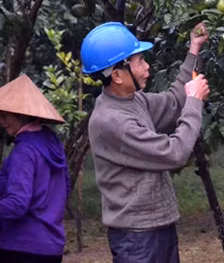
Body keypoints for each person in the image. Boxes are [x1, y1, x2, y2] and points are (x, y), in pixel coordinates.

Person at [80, 21, 210, 263]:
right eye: (139, 61)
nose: (147, 67)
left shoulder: (133, 101)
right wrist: (194, 103)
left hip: (157, 226)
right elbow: (174, 153)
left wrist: (194, 49)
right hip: (137, 238)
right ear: (117, 75)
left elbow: (173, 102)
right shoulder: (111, 121)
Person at [0, 74, 69, 263]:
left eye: (5, 115)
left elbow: (16, 204)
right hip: (51, 246)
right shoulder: (53, 145)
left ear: (21, 114)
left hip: (22, 246)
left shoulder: (24, 151)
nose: (2, 121)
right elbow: (65, 189)